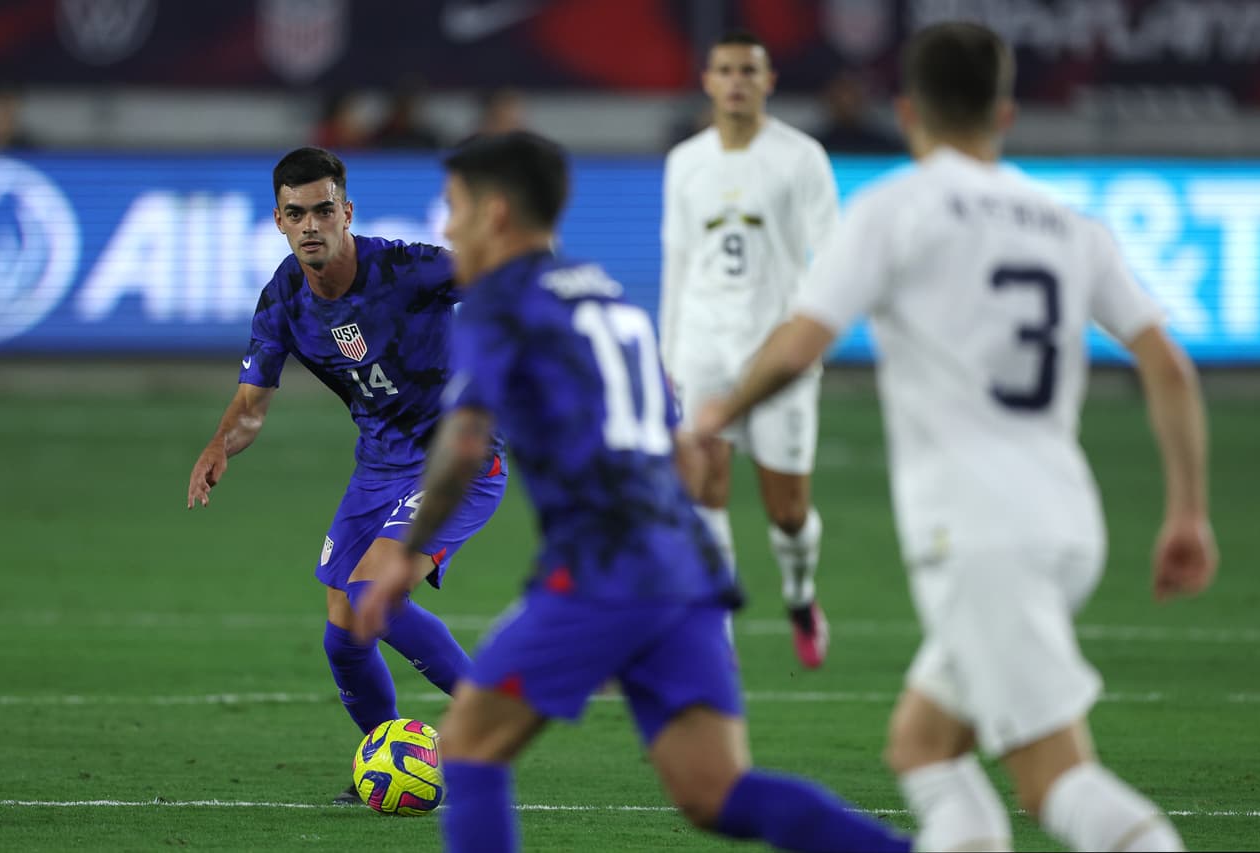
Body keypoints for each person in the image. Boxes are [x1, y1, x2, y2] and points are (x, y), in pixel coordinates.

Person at [696, 22, 1217, 853]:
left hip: (979, 534)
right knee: (924, 747)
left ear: (906, 112)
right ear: (1005, 113)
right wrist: (1188, 511)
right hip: (1067, 520)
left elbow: (800, 342)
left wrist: (715, 415)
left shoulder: (896, 208)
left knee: (1057, 779)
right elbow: (1169, 364)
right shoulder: (1067, 223)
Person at [351, 131, 911, 853]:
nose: (445, 226)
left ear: (494, 214)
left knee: (469, 746)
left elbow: (463, 441)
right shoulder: (608, 294)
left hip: (604, 566)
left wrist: (406, 555)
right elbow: (680, 448)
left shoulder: (502, 304)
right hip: (685, 564)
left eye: (454, 207)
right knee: (715, 791)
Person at [186, 146, 505, 804]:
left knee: (371, 597)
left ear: (346, 211)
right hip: (381, 463)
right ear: (278, 220)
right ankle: (392, 762)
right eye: (296, 213)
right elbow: (252, 405)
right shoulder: (283, 298)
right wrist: (220, 444)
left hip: (457, 458)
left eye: (323, 210)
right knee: (343, 630)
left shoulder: (406, 268)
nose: (311, 225)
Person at [660, 30, 840, 668]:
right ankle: (719, 639)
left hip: (777, 351)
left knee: (787, 512)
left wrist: (808, 335)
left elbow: (832, 257)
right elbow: (678, 261)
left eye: (749, 70)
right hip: (705, 343)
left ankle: (799, 593)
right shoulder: (685, 162)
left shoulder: (800, 158)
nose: (736, 80)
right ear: (708, 82)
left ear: (769, 82)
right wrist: (670, 355)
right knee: (704, 487)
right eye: (725, 70)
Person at [813, 71, 902, 155]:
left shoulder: (883, 145)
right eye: (840, 96)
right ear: (830, 100)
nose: (846, 103)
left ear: (861, 100)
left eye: (851, 96)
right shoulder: (818, 147)